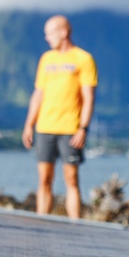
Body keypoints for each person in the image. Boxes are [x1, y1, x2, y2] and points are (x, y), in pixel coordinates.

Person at [21, 15, 97, 219]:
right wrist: (29, 124)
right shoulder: (46, 59)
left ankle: (75, 225)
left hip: (70, 128)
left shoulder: (83, 59)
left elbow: (89, 97)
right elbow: (38, 94)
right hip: (45, 127)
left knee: (71, 179)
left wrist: (83, 128)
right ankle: (41, 223)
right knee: (44, 179)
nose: (46, 37)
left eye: (50, 32)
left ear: (64, 32)